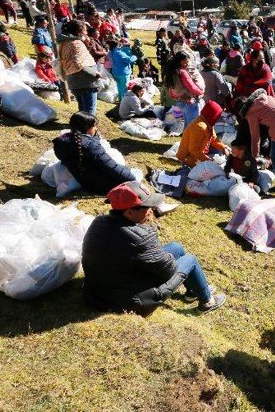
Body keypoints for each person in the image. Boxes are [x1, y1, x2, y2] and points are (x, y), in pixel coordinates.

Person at [82, 180, 226, 315]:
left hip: (98, 290)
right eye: (146, 207)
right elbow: (168, 271)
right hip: (127, 301)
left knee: (176, 247)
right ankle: (207, 301)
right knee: (190, 260)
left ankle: (192, 292)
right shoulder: (141, 237)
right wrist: (164, 255)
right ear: (129, 211)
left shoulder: (99, 222)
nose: (150, 211)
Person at [53, 111, 136, 194]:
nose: (96, 129)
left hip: (84, 181)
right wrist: (132, 179)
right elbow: (110, 166)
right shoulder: (90, 146)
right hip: (101, 186)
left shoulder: (62, 141)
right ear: (87, 127)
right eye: (94, 126)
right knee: (133, 174)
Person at [58, 20, 102, 114]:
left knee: (82, 109)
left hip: (74, 81)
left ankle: (81, 126)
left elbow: (81, 57)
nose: (86, 32)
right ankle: (87, 127)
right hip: (86, 82)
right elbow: (78, 64)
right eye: (85, 30)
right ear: (79, 31)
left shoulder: (65, 43)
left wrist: (87, 44)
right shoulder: (76, 43)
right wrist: (95, 73)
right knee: (89, 111)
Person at [176, 100, 228, 167]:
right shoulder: (199, 127)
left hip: (199, 154)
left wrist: (224, 147)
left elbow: (214, 140)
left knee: (219, 156)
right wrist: (208, 160)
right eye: (217, 116)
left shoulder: (208, 123)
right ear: (212, 115)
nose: (218, 119)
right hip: (188, 158)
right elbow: (193, 150)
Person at [164, 51, 204, 127]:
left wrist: (173, 95)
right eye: (184, 62)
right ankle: (191, 138)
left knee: (187, 123)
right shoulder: (182, 72)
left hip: (180, 101)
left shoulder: (171, 72)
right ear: (178, 62)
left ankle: (186, 138)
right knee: (193, 125)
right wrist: (200, 92)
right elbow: (191, 86)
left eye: (187, 62)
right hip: (188, 101)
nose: (187, 64)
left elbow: (170, 87)